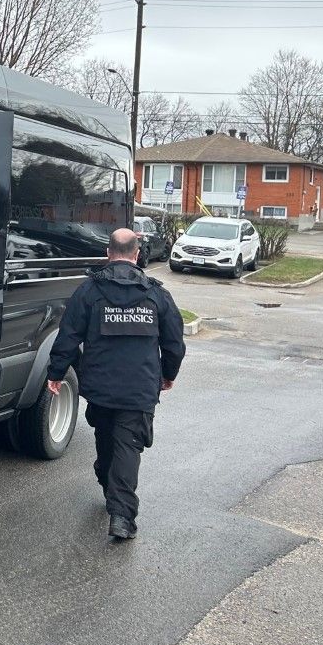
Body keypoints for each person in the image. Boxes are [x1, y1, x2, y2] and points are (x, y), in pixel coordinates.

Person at [46, 227, 185, 540]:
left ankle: (118, 504)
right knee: (124, 446)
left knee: (109, 438)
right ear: (136, 254)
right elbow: (174, 341)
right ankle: (120, 510)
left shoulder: (88, 291)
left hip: (101, 387)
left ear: (108, 253)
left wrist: (56, 372)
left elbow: (69, 334)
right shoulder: (157, 294)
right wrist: (168, 374)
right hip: (139, 388)